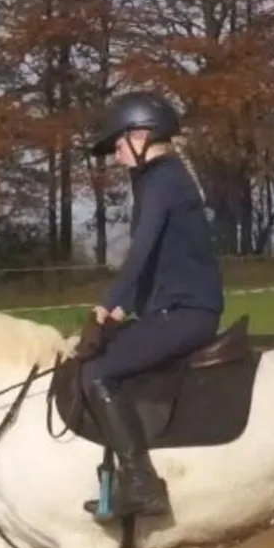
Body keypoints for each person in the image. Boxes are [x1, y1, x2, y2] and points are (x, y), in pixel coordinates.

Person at [80, 90, 226, 522]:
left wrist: (108, 305)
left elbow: (140, 252)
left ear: (142, 135)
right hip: (175, 308)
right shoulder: (162, 178)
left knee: (98, 371)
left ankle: (143, 486)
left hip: (187, 314)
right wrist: (128, 308)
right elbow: (162, 259)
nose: (117, 156)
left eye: (119, 145)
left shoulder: (162, 179)